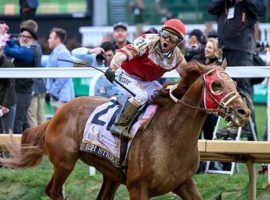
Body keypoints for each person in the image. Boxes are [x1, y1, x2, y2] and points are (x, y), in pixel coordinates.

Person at [104, 18, 187, 137]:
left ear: (178, 42)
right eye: (166, 35)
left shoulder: (177, 57)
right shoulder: (147, 41)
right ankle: (119, 125)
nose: (167, 40)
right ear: (160, 33)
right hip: (125, 74)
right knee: (141, 96)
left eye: (173, 38)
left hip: (147, 82)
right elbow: (124, 52)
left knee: (165, 98)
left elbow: (187, 76)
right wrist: (113, 68)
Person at [207, 0, 266, 137]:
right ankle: (236, 124)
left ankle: (245, 126)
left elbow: (262, 10)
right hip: (223, 49)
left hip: (243, 49)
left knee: (242, 88)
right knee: (227, 90)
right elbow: (210, 8)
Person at [4, 19, 42, 134]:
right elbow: (14, 48)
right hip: (21, 91)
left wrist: (2, 37)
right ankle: (30, 149)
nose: (24, 38)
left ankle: (16, 151)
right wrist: (6, 36)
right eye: (22, 35)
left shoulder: (30, 51)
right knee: (25, 124)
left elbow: (10, 51)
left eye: (27, 36)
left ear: (33, 39)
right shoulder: (28, 48)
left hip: (22, 92)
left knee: (17, 124)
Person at [45, 28, 74, 112]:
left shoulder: (64, 53)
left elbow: (63, 76)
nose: (48, 40)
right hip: (57, 97)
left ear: (57, 39)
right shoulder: (56, 52)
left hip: (62, 97)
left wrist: (52, 92)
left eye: (50, 38)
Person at [0, 24, 16, 133]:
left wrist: (5, 105)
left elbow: (10, 87)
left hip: (6, 104)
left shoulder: (8, 64)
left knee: (6, 134)